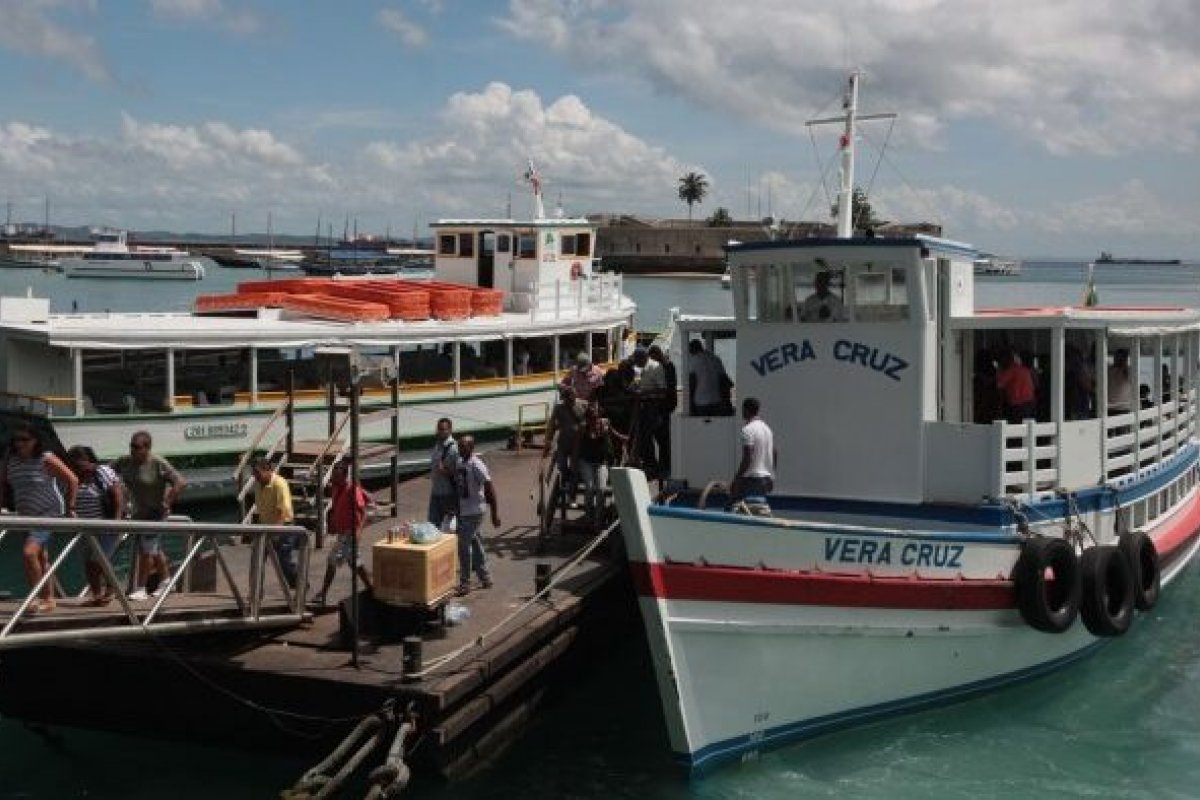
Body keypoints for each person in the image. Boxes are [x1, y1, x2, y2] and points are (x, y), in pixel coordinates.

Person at [0, 423, 78, 613]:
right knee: (41, 557)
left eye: (25, 440)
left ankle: (37, 597)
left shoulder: (46, 458)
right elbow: (1, 483)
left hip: (47, 513)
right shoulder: (10, 460)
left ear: (35, 441)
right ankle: (49, 599)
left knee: (29, 553)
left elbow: (72, 479)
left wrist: (70, 507)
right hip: (25, 514)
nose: (20, 444)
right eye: (17, 440)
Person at [113, 431, 184, 601]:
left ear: (147, 448)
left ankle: (140, 588)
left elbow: (180, 482)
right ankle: (167, 581)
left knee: (146, 550)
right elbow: (107, 473)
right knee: (153, 548)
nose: (133, 450)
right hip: (138, 512)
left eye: (137, 447)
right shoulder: (124, 461)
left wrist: (166, 503)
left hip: (155, 513)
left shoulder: (158, 463)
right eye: (131, 446)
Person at [67, 445, 123, 606]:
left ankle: (111, 588)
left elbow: (117, 494)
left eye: (81, 462)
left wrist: (117, 521)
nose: (79, 466)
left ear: (90, 460)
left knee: (97, 560)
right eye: (74, 463)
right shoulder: (73, 478)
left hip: (106, 524)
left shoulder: (101, 472)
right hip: (83, 527)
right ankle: (97, 595)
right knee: (88, 562)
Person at [313, 457, 372, 607]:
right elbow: (335, 506)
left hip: (350, 532)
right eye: (334, 476)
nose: (334, 479)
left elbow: (363, 512)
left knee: (332, 560)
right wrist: (332, 522)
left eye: (337, 477)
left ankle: (323, 593)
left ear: (345, 476)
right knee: (355, 563)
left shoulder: (352, 490)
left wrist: (358, 531)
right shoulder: (335, 487)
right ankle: (371, 587)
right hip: (342, 531)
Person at [453, 435, 499, 595]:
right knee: (475, 543)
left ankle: (465, 582)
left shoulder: (477, 465)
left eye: (463, 447)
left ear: (471, 448)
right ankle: (485, 577)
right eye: (459, 447)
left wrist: (495, 513)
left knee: (463, 546)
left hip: (475, 511)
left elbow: (489, 488)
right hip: (464, 510)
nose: (460, 449)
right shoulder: (460, 462)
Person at [573, 404, 626, 530]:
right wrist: (574, 465)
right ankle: (588, 517)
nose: (594, 420)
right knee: (590, 488)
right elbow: (576, 447)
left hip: (601, 462)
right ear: (587, 418)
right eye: (591, 417)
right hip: (586, 462)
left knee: (601, 489)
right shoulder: (583, 428)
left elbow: (614, 433)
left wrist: (623, 438)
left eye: (596, 417)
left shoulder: (604, 424)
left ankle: (598, 520)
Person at [251, 456, 297, 587]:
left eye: (257, 473)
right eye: (254, 473)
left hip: (283, 527)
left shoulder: (280, 484)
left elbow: (284, 512)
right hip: (265, 528)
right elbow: (261, 510)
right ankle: (255, 591)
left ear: (268, 470)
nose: (255, 477)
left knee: (284, 561)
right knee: (257, 559)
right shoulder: (258, 485)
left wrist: (276, 532)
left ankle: (299, 585)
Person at [730, 397, 776, 505]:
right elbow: (774, 452)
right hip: (765, 479)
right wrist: (772, 475)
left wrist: (737, 479)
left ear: (745, 410)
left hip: (752, 480)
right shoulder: (767, 429)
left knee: (734, 505)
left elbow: (747, 459)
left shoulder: (747, 430)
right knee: (756, 510)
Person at [544, 384, 587, 493]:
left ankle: (572, 491)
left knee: (575, 468)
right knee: (561, 465)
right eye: (567, 399)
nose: (569, 401)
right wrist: (548, 441)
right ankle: (566, 478)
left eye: (572, 398)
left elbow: (588, 420)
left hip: (577, 443)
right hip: (563, 442)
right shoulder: (559, 408)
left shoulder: (582, 405)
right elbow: (552, 425)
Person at [428, 417, 459, 528]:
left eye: (444, 429)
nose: (441, 431)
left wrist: (445, 471)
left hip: (448, 494)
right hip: (436, 491)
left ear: (450, 430)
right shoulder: (438, 445)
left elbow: (460, 472)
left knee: (448, 527)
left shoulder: (454, 448)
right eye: (439, 429)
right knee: (432, 524)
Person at [688, 339, 731, 416]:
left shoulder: (693, 360)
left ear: (692, 350)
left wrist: (690, 402)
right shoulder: (715, 358)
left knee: (701, 425)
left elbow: (692, 382)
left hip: (700, 401)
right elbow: (723, 378)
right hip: (716, 399)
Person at [996, 348, 1037, 423]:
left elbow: (999, 384)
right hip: (1029, 404)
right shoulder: (1025, 370)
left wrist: (999, 370)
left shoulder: (1011, 370)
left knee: (1016, 427)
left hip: (1017, 406)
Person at [1108, 348, 1132, 413]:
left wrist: (1123, 366)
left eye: (1121, 358)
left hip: (1123, 407)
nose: (1118, 359)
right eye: (1116, 357)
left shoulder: (1129, 370)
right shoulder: (1109, 369)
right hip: (1110, 406)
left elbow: (1128, 375)